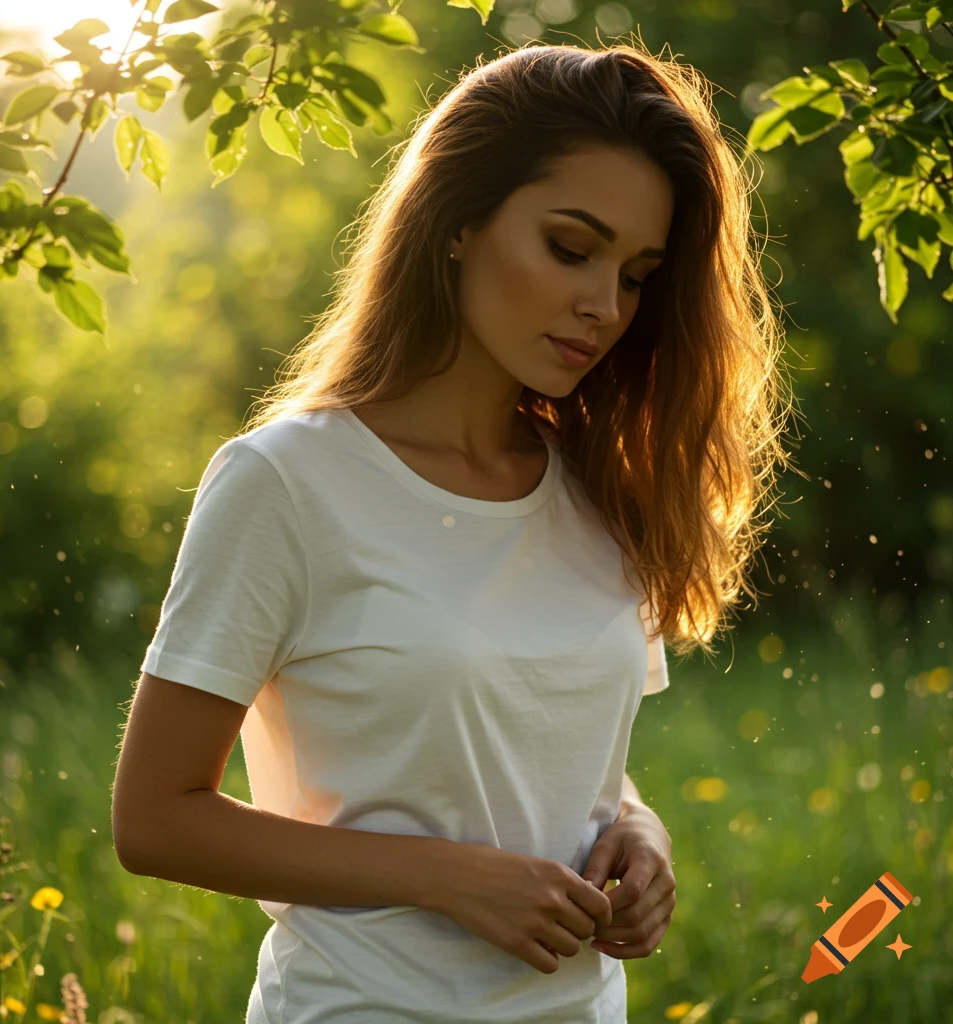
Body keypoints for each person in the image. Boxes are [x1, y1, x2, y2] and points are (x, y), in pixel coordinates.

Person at [111, 40, 794, 1024]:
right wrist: (443, 876)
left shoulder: (602, 487)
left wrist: (642, 838)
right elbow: (155, 819)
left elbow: (546, 757)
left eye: (637, 274)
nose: (603, 306)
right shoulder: (287, 483)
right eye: (570, 247)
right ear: (458, 222)